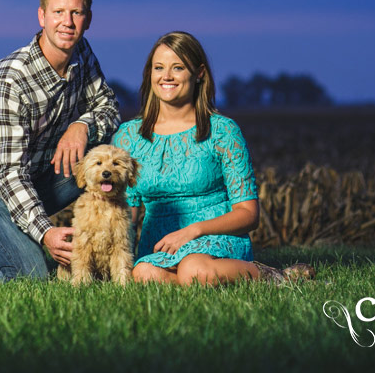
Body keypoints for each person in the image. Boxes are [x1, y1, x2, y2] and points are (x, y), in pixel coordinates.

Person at [0, 0, 121, 281]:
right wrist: (45, 233)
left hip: (37, 173)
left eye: (76, 13)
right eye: (58, 12)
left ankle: (107, 248)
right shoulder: (10, 81)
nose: (68, 22)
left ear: (88, 19)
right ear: (42, 16)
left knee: (99, 156)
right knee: (34, 275)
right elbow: (9, 176)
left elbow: (109, 107)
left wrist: (82, 124)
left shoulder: (82, 52)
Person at [112, 31, 313, 285]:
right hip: (161, 245)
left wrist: (193, 231)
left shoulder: (223, 131)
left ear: (199, 74)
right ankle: (198, 281)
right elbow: (126, 210)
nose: (166, 76)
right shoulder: (128, 137)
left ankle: (277, 276)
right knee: (143, 274)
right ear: (149, 74)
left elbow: (249, 214)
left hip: (216, 238)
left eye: (178, 67)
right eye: (159, 67)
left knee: (194, 269)